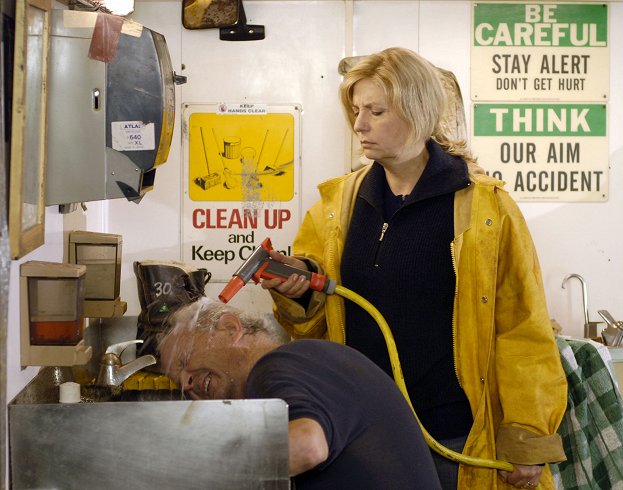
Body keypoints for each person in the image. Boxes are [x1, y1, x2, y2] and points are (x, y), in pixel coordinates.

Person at [260, 47, 568, 489]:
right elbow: (318, 325)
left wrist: (528, 438)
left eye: (376, 111)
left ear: (420, 112)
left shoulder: (484, 209)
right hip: (360, 434)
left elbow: (523, 330)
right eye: (357, 110)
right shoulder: (337, 207)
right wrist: (299, 290)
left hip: (455, 440)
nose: (359, 125)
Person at [158, 297, 443, 490]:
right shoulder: (308, 362)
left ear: (231, 329)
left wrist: (197, 472)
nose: (186, 383)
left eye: (184, 361)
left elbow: (308, 446)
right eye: (177, 379)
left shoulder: (277, 365)